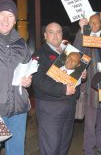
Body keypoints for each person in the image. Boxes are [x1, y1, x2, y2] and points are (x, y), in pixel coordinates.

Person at [0, 0, 32, 155]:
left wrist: (28, 80)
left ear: (15, 20)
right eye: (2, 14)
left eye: (10, 16)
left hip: (18, 109)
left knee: (16, 152)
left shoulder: (21, 43)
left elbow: (28, 70)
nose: (5, 19)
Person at [32, 22, 86, 155]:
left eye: (58, 32)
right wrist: (62, 89)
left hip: (69, 105)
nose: (55, 35)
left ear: (62, 34)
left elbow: (71, 77)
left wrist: (81, 75)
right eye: (51, 32)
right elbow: (38, 82)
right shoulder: (39, 55)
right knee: (51, 148)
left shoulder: (68, 53)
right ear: (45, 35)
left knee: (63, 146)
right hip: (50, 108)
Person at [73, 17, 101, 155]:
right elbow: (75, 52)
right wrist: (81, 31)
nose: (95, 26)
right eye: (92, 24)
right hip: (90, 90)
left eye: (98, 24)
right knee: (90, 125)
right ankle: (89, 151)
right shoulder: (85, 43)